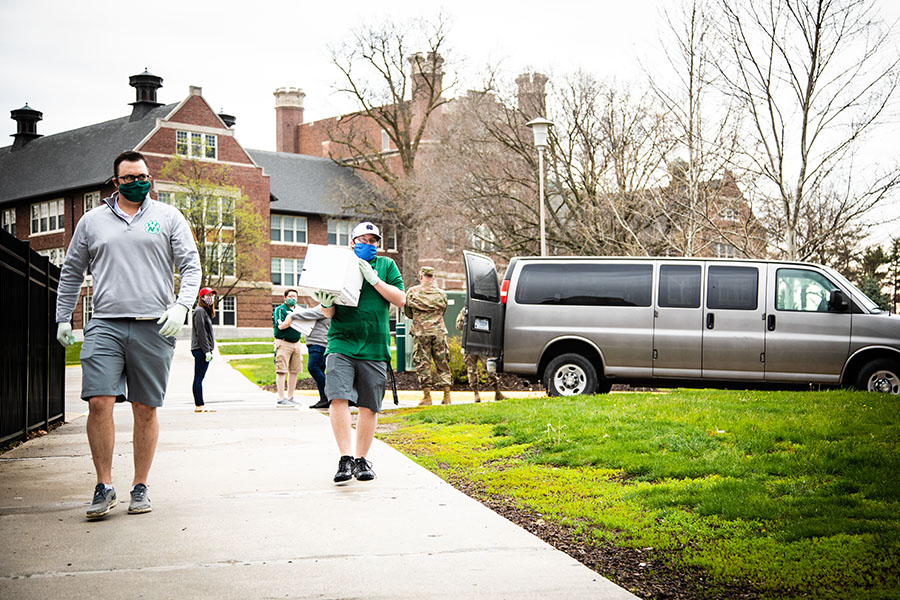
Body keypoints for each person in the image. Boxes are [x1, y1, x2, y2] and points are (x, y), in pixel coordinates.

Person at [55, 150, 201, 520]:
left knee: (145, 407)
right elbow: (72, 271)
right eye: (129, 178)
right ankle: (103, 485)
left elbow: (190, 264)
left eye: (143, 177)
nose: (138, 183)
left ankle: (140, 485)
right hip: (105, 322)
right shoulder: (92, 221)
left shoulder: (168, 217)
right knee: (99, 402)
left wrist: (181, 305)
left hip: (154, 324)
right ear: (115, 182)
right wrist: (63, 318)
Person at [313, 221, 405, 483]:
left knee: (369, 405)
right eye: (363, 240)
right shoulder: (340, 265)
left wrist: (374, 279)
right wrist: (325, 303)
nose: (369, 245)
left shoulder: (386, 266)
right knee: (338, 397)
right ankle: (345, 458)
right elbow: (328, 312)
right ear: (352, 242)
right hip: (341, 342)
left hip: (375, 345)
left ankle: (362, 459)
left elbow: (400, 298)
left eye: (373, 241)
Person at [404, 266, 451, 405]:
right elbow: (443, 311)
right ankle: (447, 396)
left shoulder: (412, 292)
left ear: (421, 276)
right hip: (438, 332)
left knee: (423, 363)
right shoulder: (441, 294)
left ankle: (427, 396)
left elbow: (408, 312)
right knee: (442, 363)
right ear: (433, 278)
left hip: (421, 332)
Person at [456, 307, 506, 403]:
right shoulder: (465, 310)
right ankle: (476, 394)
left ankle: (497, 392)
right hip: (470, 344)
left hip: (482, 344)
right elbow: (459, 326)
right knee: (471, 369)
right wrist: (465, 320)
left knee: (489, 367)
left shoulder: (487, 309)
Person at [290, 303, 331, 409]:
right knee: (320, 371)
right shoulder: (323, 306)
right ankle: (324, 399)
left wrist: (292, 316)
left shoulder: (325, 307)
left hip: (319, 343)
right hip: (316, 343)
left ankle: (330, 395)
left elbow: (312, 313)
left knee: (313, 367)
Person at [273, 289, 304, 406]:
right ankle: (281, 398)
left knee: (294, 370)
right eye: (290, 296)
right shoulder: (280, 310)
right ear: (285, 298)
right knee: (281, 370)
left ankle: (290, 397)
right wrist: (291, 319)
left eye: (295, 297)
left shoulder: (299, 310)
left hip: (297, 342)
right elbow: (281, 326)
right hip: (283, 342)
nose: (293, 298)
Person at [191, 287, 217, 413]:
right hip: (200, 349)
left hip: (203, 349)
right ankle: (199, 405)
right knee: (198, 378)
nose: (210, 298)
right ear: (201, 297)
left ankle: (199, 404)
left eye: (212, 295)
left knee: (199, 377)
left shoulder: (204, 311)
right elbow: (201, 332)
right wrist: (206, 350)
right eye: (208, 295)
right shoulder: (199, 311)